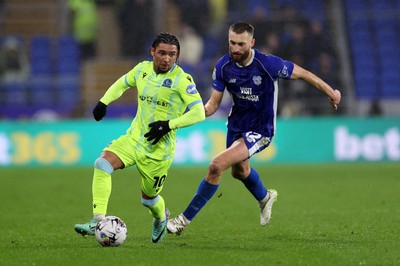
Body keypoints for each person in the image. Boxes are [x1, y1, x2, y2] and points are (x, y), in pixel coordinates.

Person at [167, 22, 341, 235]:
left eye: (241, 44)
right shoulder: (222, 66)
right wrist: (179, 120)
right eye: (232, 43)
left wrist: (331, 92)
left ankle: (182, 221)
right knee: (240, 172)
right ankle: (265, 197)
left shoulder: (268, 64)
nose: (236, 48)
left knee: (216, 165)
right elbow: (212, 105)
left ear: (252, 42)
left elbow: (304, 74)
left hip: (261, 129)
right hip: (236, 126)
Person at [74, 32, 206, 243]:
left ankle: (161, 218)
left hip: (158, 151)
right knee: (102, 164)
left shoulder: (182, 80)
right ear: (152, 52)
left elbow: (199, 112)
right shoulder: (142, 69)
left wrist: (168, 125)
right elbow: (122, 83)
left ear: (177, 56)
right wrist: (103, 102)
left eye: (172, 55)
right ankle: (97, 220)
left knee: (149, 199)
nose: (167, 59)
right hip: (134, 138)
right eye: (162, 53)